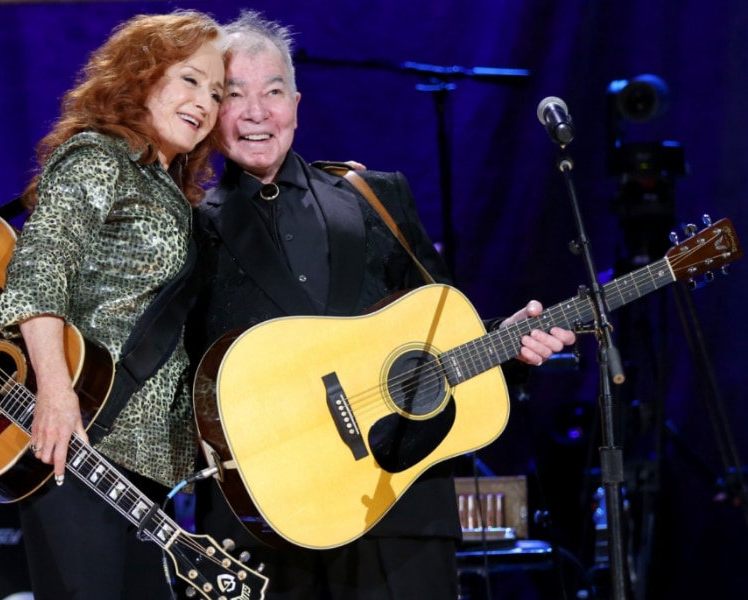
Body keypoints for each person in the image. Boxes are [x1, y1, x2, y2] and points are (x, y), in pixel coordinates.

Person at [187, 10, 577, 600]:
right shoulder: (190, 227)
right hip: (266, 521)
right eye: (235, 94)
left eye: (273, 91)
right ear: (213, 110)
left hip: (399, 508)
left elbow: (439, 331)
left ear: (297, 104)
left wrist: (510, 340)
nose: (256, 112)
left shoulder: (376, 197)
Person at [0, 10, 226, 599]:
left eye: (217, 93)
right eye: (190, 79)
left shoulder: (173, 194)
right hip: (79, 444)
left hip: (148, 471)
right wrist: (54, 392)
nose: (205, 102)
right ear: (142, 75)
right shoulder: (99, 157)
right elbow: (40, 268)